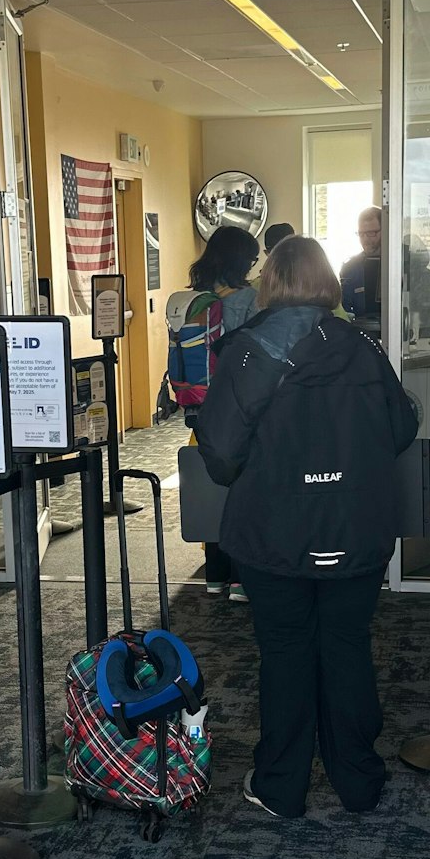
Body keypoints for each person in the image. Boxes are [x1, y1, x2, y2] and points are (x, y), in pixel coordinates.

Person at [196, 235, 418, 817]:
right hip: (357, 529)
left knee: (285, 652)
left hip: (272, 534)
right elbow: (401, 429)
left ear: (270, 283)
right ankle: (359, 782)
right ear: (328, 283)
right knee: (347, 645)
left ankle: (281, 785)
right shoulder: (363, 346)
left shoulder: (248, 351)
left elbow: (220, 454)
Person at [167, 224, 260, 598]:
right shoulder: (249, 298)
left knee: (210, 481)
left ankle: (215, 575)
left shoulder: (191, 298)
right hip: (240, 405)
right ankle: (241, 578)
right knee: (245, 488)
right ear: (242, 260)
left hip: (200, 405)